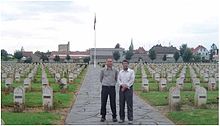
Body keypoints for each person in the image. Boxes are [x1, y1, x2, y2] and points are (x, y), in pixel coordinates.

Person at [100, 58, 118, 122]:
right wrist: (105, 83)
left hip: (112, 88)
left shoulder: (115, 70)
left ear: (112, 62)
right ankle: (103, 116)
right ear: (106, 62)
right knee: (103, 102)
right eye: (108, 61)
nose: (109, 63)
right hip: (105, 87)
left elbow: (116, 78)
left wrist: (112, 83)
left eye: (111, 61)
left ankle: (114, 116)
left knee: (113, 102)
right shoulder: (102, 70)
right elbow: (101, 79)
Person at [118, 59, 135, 124]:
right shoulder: (120, 72)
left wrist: (125, 86)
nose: (125, 65)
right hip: (121, 89)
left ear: (128, 64)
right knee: (121, 104)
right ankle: (122, 118)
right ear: (122, 64)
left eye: (126, 63)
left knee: (129, 104)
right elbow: (118, 80)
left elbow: (132, 80)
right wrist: (122, 85)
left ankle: (130, 118)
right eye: (124, 64)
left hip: (128, 89)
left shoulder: (131, 71)